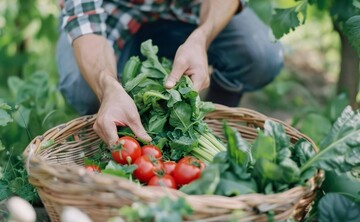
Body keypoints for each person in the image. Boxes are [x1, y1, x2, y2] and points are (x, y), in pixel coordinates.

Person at [56, 0, 284, 146]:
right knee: (83, 87)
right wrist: (106, 86)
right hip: (113, 10)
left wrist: (201, 38)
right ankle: (117, 131)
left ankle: (211, 127)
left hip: (187, 8)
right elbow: (85, 20)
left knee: (260, 54)